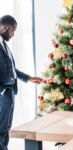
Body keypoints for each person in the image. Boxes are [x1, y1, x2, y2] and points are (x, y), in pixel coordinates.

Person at [0, 15, 43, 150]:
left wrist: (29, 78)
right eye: (12, 31)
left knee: (6, 128)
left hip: (10, 93)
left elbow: (11, 69)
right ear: (5, 27)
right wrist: (2, 91)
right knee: (1, 129)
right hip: (3, 94)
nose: (13, 34)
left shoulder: (3, 44)